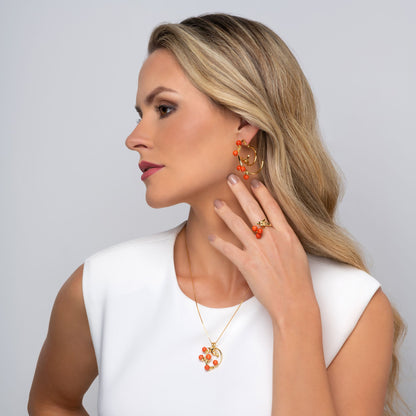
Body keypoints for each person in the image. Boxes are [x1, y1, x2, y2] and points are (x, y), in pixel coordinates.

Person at [28, 13, 408, 416]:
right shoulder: (102, 285)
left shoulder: (353, 308)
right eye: (140, 114)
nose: (134, 138)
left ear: (244, 122)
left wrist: (295, 315)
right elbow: (51, 403)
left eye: (165, 109)